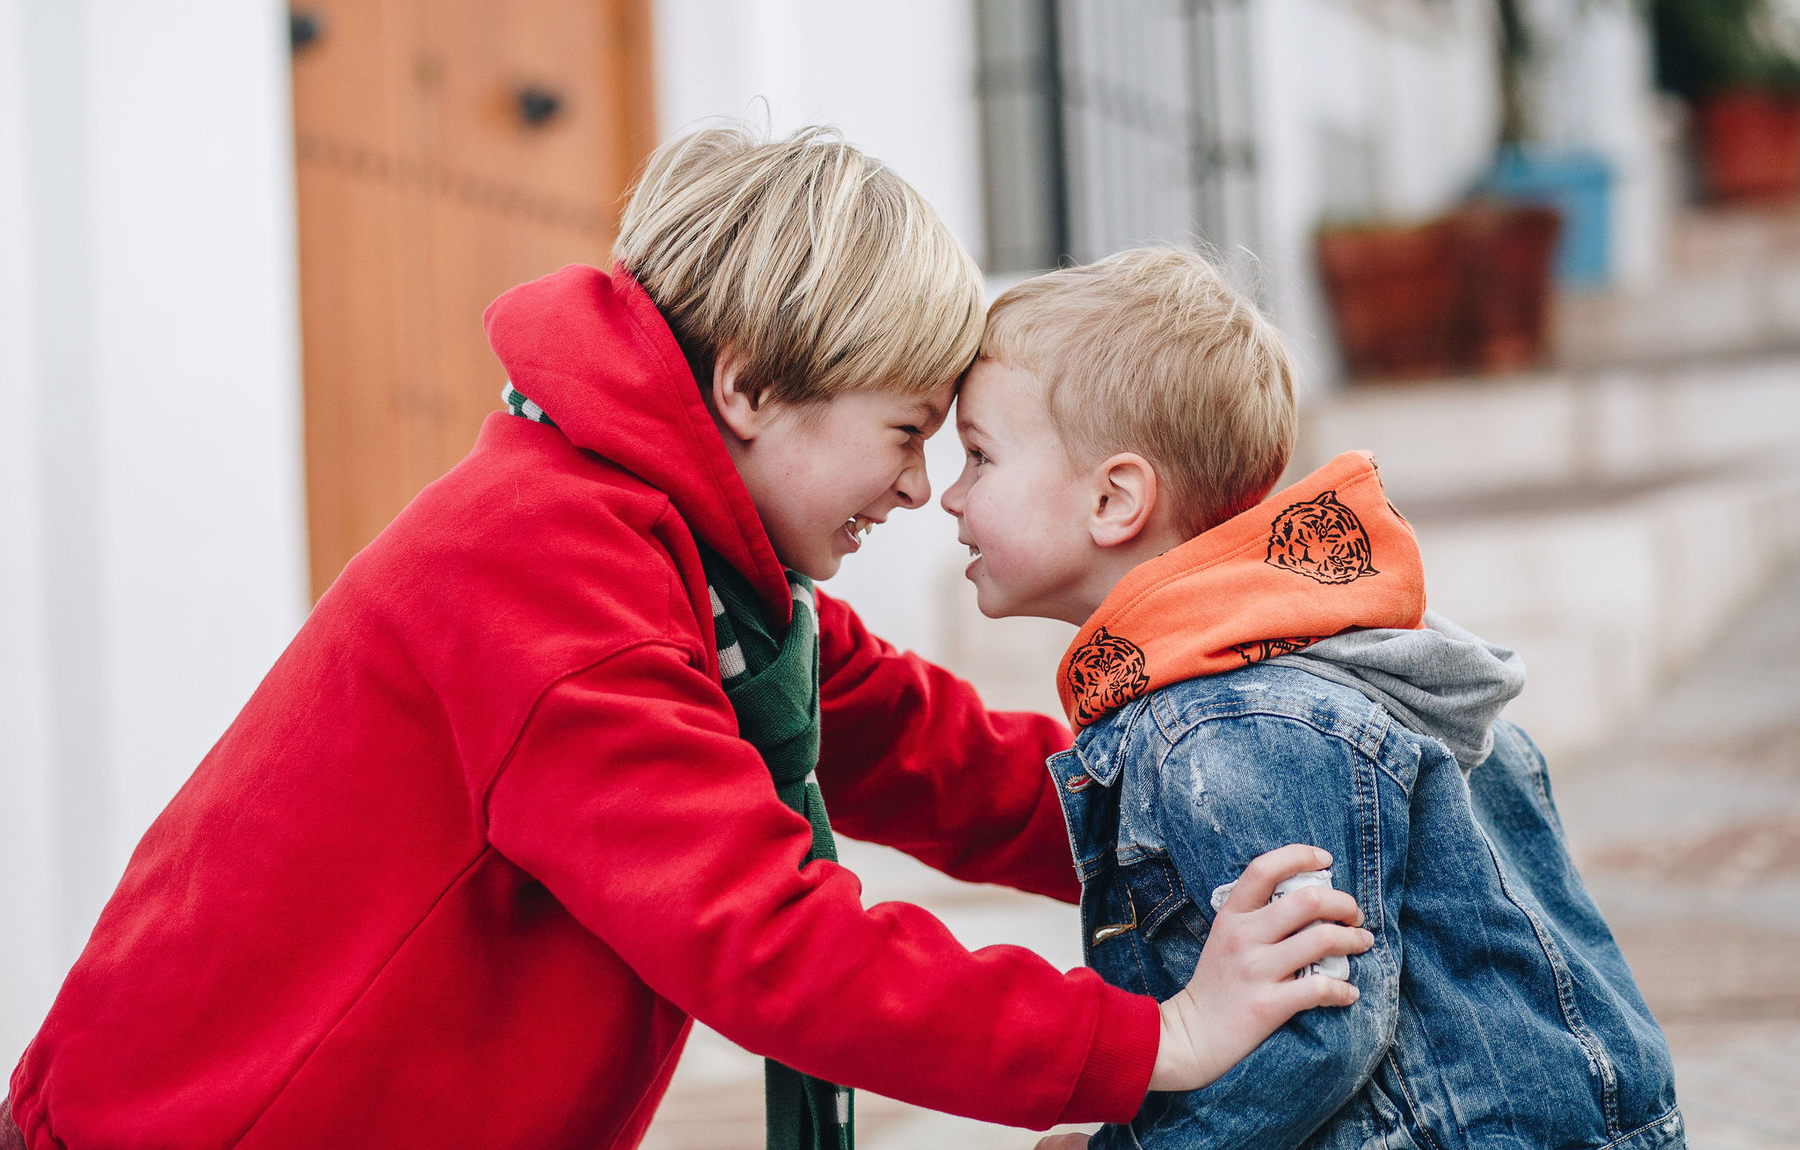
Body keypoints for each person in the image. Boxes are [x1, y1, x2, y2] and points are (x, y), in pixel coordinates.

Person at [3, 129, 1373, 1150]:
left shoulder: (695, 571)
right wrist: (1155, 1040)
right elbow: (773, 944)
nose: (918, 488)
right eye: (904, 432)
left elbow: (940, 756)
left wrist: (1247, 815)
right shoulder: (545, 575)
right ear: (751, 386)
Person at [942, 247, 1686, 1150]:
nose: (950, 495)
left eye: (979, 456)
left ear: (1115, 498)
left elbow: (1317, 1026)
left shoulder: (1224, 727)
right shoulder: (1286, 671)